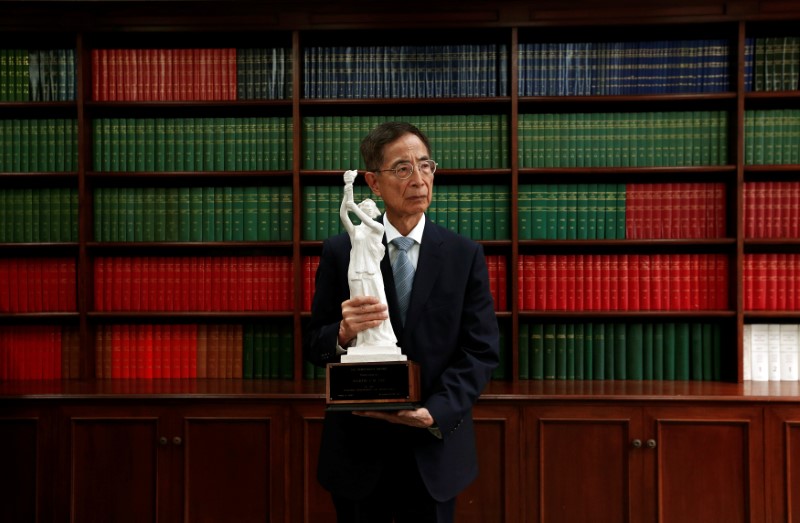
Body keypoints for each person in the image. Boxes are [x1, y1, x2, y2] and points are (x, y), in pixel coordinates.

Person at [304, 121, 500, 522]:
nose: (418, 179)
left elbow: (480, 350)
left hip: (433, 451)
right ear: (374, 183)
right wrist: (342, 333)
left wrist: (436, 413)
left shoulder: (464, 255)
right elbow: (313, 343)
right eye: (402, 168)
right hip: (358, 456)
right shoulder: (345, 251)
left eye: (425, 166)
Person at [340, 169, 398, 350]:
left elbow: (358, 214)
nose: (364, 207)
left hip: (372, 272)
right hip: (356, 271)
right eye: (362, 205)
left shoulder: (378, 229)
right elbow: (344, 215)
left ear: (373, 211)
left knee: (377, 305)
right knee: (360, 310)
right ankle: (363, 341)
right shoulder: (356, 232)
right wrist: (348, 188)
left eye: (367, 207)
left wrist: (353, 206)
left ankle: (381, 338)